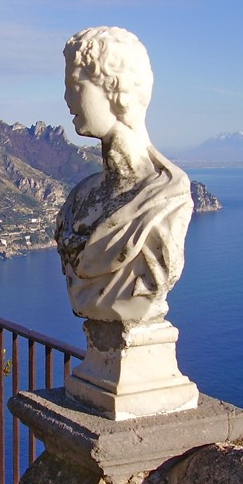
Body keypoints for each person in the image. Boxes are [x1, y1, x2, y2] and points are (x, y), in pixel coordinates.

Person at [55, 27, 193, 324]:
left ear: (115, 89)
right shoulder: (80, 198)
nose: (67, 99)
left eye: (75, 86)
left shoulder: (167, 199)